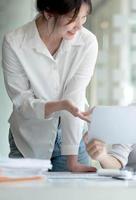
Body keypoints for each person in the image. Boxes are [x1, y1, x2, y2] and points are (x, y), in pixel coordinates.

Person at [2, 0, 98, 172]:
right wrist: (60, 105)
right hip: (27, 138)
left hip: (72, 137)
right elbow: (22, 102)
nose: (79, 27)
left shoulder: (88, 42)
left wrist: (72, 160)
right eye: (72, 18)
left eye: (83, 18)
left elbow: (75, 95)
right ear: (48, 12)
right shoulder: (14, 42)